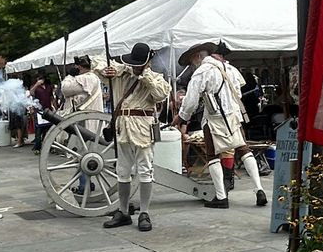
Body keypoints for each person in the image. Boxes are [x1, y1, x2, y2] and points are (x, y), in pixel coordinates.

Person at [173, 42, 268, 208]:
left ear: (197, 57)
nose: (192, 65)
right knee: (243, 149)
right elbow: (237, 92)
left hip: (214, 118)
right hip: (234, 116)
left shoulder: (202, 71)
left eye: (192, 61)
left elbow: (190, 101)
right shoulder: (229, 68)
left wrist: (181, 117)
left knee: (212, 155)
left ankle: (221, 197)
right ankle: (259, 189)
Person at [96, 42, 170, 232]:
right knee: (123, 171)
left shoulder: (157, 79)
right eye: (134, 64)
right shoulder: (123, 75)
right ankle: (122, 211)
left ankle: (144, 212)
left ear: (147, 63)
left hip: (143, 129)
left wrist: (145, 76)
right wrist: (111, 70)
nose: (135, 66)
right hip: (123, 128)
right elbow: (98, 67)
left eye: (139, 64)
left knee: (145, 170)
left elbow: (159, 94)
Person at [60, 56, 103, 128]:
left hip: (86, 118)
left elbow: (65, 89)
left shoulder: (86, 78)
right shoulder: (92, 77)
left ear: (80, 67)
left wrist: (70, 76)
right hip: (89, 116)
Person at [29, 75, 56, 153]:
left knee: (50, 130)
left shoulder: (48, 87)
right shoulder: (35, 87)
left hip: (48, 109)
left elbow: (52, 98)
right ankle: (38, 147)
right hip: (39, 110)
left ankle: (51, 147)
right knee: (39, 130)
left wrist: (55, 107)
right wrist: (36, 84)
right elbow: (31, 93)